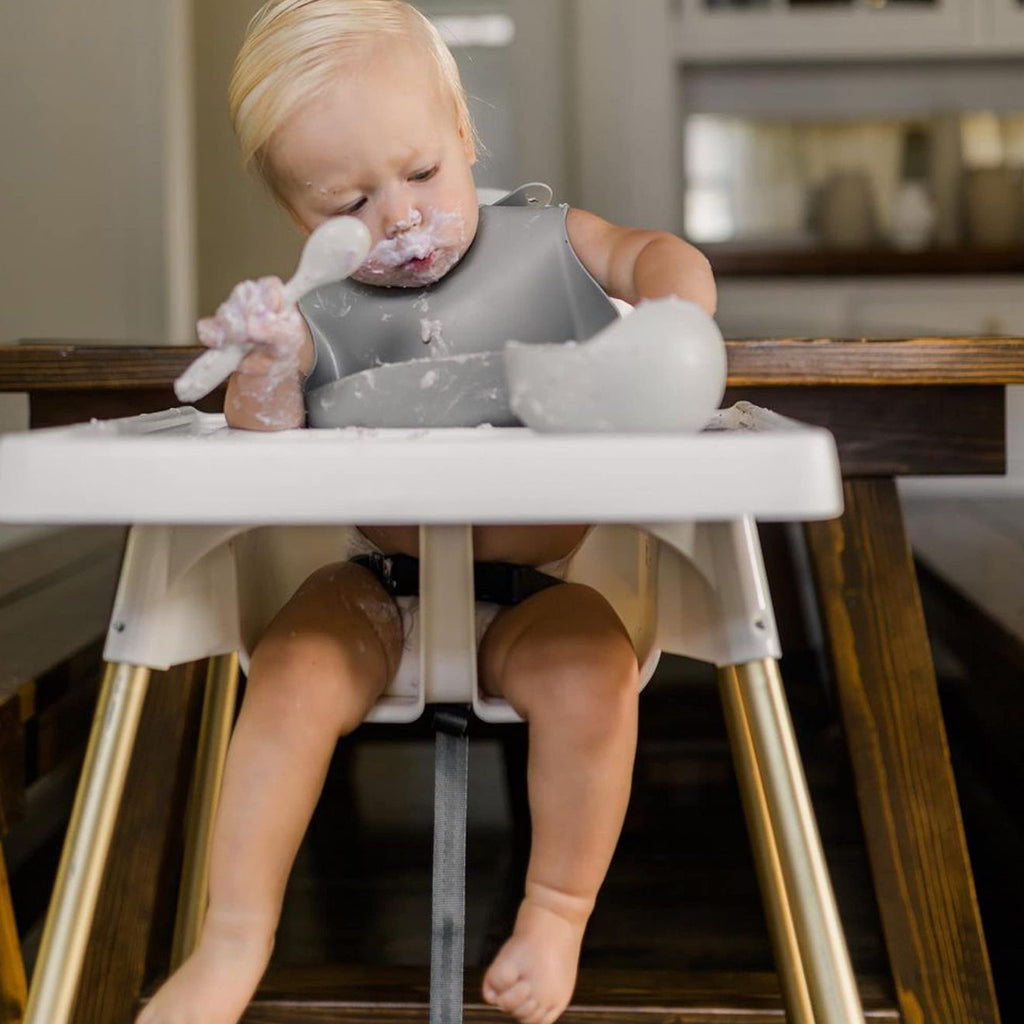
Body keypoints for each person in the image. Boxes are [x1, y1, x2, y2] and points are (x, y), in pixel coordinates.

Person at [138, 3, 716, 1024]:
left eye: (420, 174)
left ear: (465, 135)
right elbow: (259, 442)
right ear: (299, 218)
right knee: (289, 672)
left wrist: (668, 325)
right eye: (350, 202)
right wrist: (268, 364)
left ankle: (555, 910)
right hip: (379, 590)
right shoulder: (317, 314)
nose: (399, 216)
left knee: (595, 671)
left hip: (533, 598)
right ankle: (231, 941)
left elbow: (658, 254)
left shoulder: (552, 246)